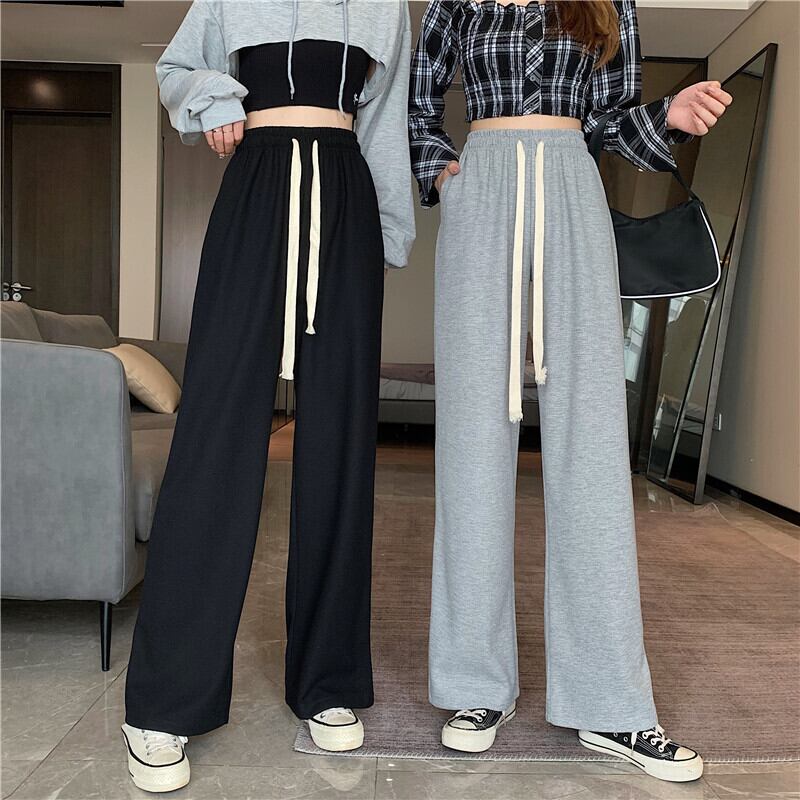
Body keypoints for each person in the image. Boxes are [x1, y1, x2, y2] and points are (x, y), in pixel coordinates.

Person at [409, 0, 731, 783]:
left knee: (591, 447)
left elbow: (612, 121)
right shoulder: (455, 2)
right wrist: (445, 173)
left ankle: (610, 702)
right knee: (471, 446)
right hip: (481, 194)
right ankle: (476, 686)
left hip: (571, 189)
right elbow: (418, 108)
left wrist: (669, 116)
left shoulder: (605, 2)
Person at [120, 0, 414, 792]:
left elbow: (386, 120)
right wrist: (215, 96)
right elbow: (175, 69)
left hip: (345, 195)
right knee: (214, 436)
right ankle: (166, 698)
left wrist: (387, 230)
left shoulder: (385, 6)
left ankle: (328, 681)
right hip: (256, 185)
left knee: (340, 444)